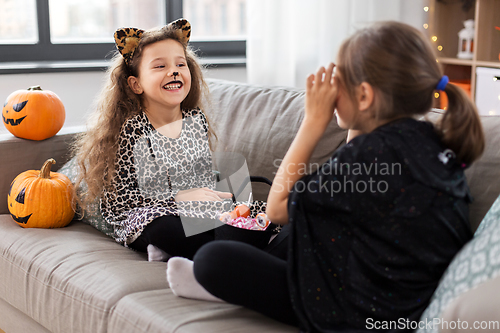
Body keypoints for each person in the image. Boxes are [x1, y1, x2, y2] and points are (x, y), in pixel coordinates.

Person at [165, 21, 486, 332]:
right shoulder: (428, 140)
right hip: (395, 300)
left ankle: (218, 284)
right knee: (306, 218)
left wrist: (313, 121)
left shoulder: (371, 153)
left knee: (214, 259)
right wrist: (356, 117)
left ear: (364, 96)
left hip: (357, 314)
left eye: (339, 80)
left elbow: (277, 208)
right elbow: (339, 190)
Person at [73, 19, 268, 261]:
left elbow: (198, 180)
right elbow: (122, 200)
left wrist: (212, 196)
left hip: (190, 209)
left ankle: (221, 249)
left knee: (255, 212)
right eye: (159, 66)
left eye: (180, 64)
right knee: (164, 228)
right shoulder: (134, 129)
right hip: (149, 211)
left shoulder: (195, 120)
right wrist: (177, 197)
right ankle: (211, 253)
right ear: (136, 84)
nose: (173, 70)